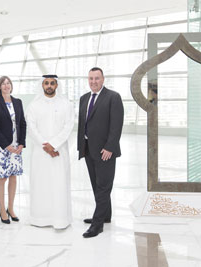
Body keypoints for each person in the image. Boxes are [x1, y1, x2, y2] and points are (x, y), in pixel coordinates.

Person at [77, 67, 124, 238]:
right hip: (88, 149)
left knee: (103, 187)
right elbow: (83, 125)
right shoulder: (84, 99)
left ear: (103, 79)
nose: (93, 81)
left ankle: (97, 225)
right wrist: (81, 147)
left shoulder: (113, 97)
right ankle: (105, 215)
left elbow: (116, 124)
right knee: (97, 185)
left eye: (97, 78)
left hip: (106, 151)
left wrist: (110, 147)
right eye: (90, 78)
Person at [26, 74, 74, 229]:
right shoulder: (34, 105)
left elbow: (69, 126)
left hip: (59, 153)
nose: (49, 86)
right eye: (46, 83)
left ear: (57, 85)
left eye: (52, 83)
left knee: (59, 184)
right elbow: (31, 128)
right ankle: (40, 218)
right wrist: (45, 145)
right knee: (41, 185)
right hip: (40, 154)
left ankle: (60, 219)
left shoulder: (66, 104)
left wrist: (54, 145)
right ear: (42, 85)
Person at [0, 76, 27, 224]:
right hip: (3, 147)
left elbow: (22, 123)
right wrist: (6, 145)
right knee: (2, 178)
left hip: (17, 147)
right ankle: (2, 210)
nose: (6, 86)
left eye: (8, 83)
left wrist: (22, 143)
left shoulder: (18, 102)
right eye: (3, 84)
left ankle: (11, 208)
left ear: (11, 86)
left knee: (13, 177)